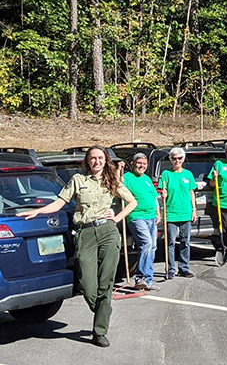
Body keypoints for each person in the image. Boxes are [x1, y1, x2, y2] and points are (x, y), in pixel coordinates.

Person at [18, 146, 137, 348]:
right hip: (86, 233)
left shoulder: (112, 181)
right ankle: (103, 309)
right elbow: (58, 203)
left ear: (105, 160)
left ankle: (99, 331)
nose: (97, 161)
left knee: (106, 281)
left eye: (100, 158)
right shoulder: (77, 180)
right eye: (93, 158)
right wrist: (37, 212)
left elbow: (132, 202)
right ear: (87, 161)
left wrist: (116, 218)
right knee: (87, 283)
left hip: (108, 232)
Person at [122, 153, 161, 291]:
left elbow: (154, 197)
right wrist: (118, 170)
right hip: (136, 216)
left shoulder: (147, 179)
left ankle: (148, 280)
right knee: (147, 243)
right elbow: (116, 187)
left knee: (153, 247)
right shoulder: (126, 177)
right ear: (132, 164)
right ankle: (140, 278)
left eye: (144, 164)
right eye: (139, 163)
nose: (142, 166)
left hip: (151, 217)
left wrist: (158, 213)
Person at [160, 147, 197, 279]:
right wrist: (163, 194)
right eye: (174, 159)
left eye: (179, 158)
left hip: (186, 213)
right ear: (170, 160)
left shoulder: (188, 174)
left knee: (185, 242)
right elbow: (163, 191)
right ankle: (170, 268)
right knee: (170, 242)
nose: (177, 161)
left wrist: (194, 210)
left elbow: (191, 192)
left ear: (183, 159)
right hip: (171, 213)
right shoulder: (166, 174)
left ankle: (184, 267)